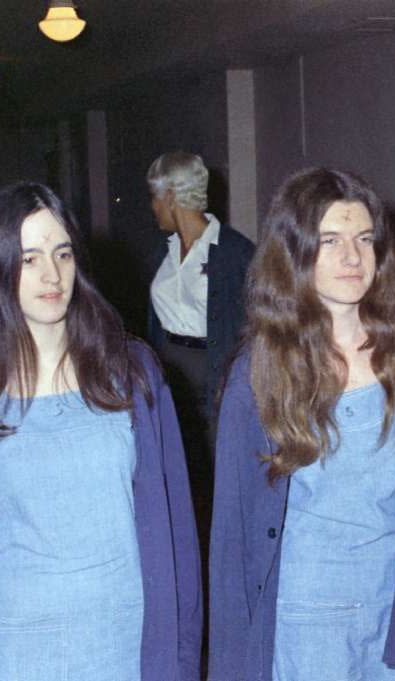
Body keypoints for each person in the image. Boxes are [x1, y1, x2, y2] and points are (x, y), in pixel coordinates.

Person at [0, 183, 201, 681]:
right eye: (29, 258)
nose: (52, 274)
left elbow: (178, 540)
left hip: (120, 644)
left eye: (61, 253)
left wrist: (182, 661)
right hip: (8, 648)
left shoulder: (133, 375)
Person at [208, 168, 395, 681]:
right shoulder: (259, 373)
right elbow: (233, 535)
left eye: (364, 240)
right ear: (294, 254)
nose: (352, 257)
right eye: (330, 241)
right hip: (304, 618)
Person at [145, 151, 255, 494]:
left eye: (154, 197)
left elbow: (253, 330)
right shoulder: (163, 251)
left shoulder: (235, 253)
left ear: (171, 196)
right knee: (178, 477)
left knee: (216, 480)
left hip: (213, 376)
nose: (152, 207)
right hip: (171, 376)